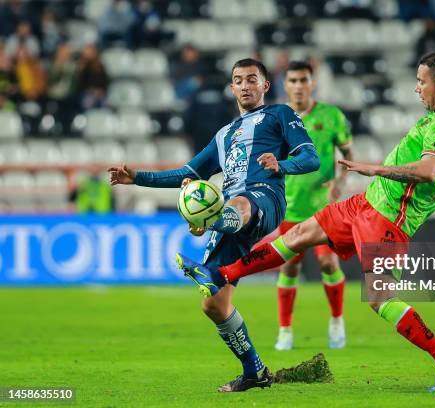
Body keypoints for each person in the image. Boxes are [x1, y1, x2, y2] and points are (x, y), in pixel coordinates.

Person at [182, 52, 435, 393]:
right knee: (299, 234)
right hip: (366, 204)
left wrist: (377, 170)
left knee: (379, 298)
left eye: (422, 82)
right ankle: (220, 275)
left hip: (390, 217)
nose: (417, 89)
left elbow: (429, 171)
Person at [108, 58, 320, 392]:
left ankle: (212, 220)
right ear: (232, 88)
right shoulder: (223, 135)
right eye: (239, 80)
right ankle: (255, 371)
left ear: (265, 86)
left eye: (252, 79)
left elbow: (311, 158)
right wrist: (137, 178)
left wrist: (281, 163)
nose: (245, 85)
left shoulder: (280, 114)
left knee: (239, 203)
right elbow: (186, 174)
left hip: (264, 199)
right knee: (214, 305)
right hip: (231, 214)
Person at [269, 60, 353, 351]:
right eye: (292, 81)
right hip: (290, 207)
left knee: (328, 262)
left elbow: (347, 155)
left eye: (304, 80)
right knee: (290, 267)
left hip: (323, 209)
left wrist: (339, 183)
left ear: (312, 83)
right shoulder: (275, 117)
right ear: (285, 84)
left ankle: (337, 320)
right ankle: (285, 330)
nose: (298, 86)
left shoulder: (331, 116)